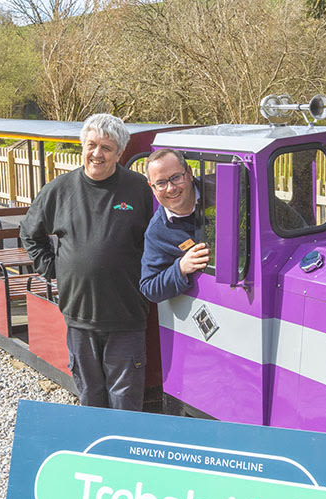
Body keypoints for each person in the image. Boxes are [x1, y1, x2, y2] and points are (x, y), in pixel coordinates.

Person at [20, 114, 153, 411]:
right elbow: (30, 234)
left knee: (126, 398)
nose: (97, 154)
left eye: (107, 148)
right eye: (91, 145)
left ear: (119, 153)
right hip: (79, 316)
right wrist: (56, 270)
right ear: (82, 146)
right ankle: (93, 453)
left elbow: (157, 240)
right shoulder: (59, 189)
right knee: (89, 395)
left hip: (127, 315)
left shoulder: (139, 189)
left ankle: (123, 453)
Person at [139, 148, 211, 303]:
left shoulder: (222, 190)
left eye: (176, 177)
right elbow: (149, 287)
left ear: (190, 173)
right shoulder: (157, 232)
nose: (171, 188)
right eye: (161, 183)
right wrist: (181, 268)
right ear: (151, 186)